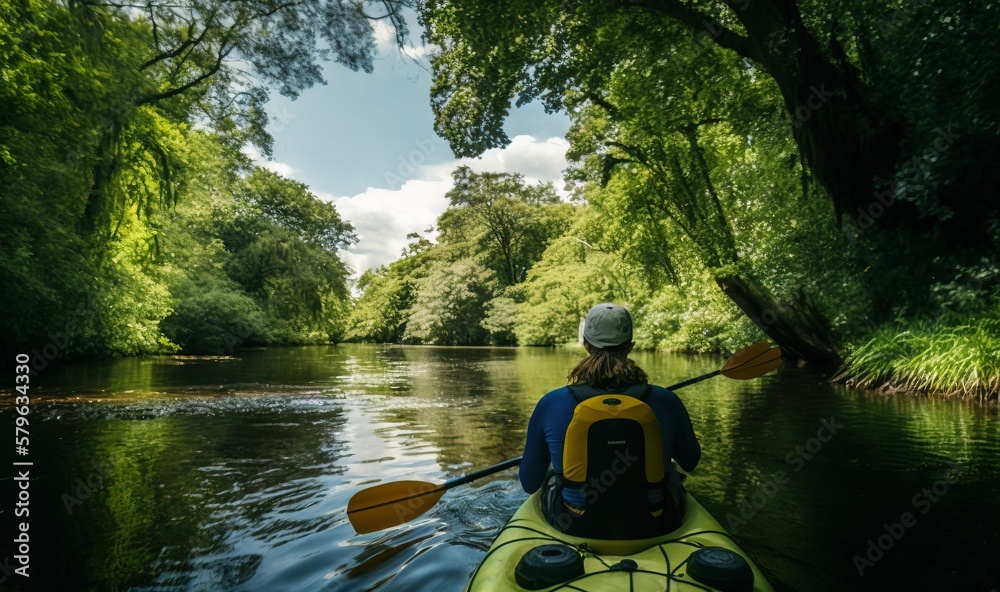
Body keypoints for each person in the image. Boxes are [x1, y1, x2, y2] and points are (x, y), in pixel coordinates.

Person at [519, 302, 701, 539]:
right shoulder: (666, 401)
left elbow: (529, 482)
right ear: (630, 347)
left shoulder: (551, 403)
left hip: (572, 526)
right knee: (674, 474)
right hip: (654, 525)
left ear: (586, 345)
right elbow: (690, 460)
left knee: (551, 474)